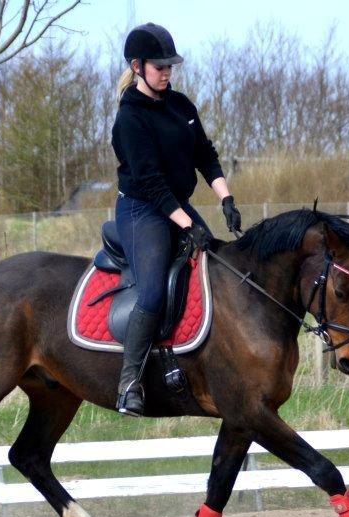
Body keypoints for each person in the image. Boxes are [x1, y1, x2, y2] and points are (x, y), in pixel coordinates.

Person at [111, 23, 241, 417]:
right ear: (137, 66)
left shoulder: (181, 105)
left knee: (219, 266)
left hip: (176, 204)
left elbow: (205, 153)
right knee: (151, 292)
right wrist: (187, 224)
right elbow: (151, 184)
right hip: (142, 210)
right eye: (160, 66)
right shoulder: (130, 119)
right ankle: (129, 382)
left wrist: (226, 197)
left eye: (171, 66)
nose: (167, 72)